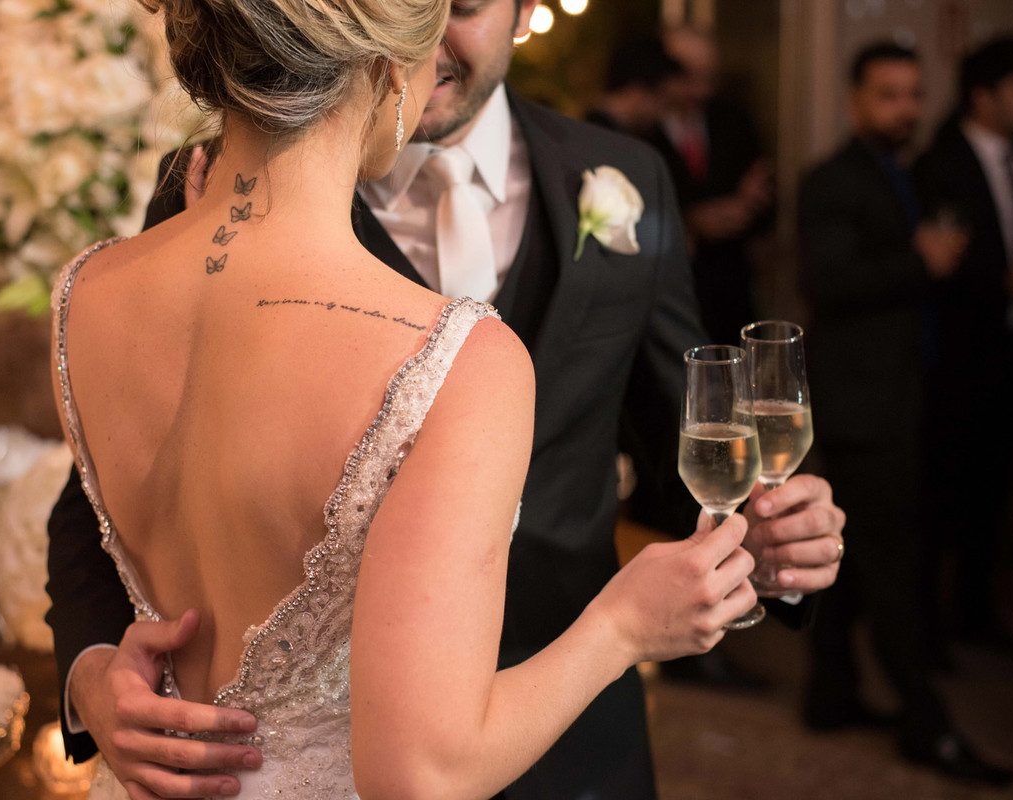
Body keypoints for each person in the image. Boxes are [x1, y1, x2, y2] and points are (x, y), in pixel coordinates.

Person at [48, 2, 846, 798]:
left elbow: (683, 439)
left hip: (573, 746)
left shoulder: (622, 174)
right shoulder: (206, 192)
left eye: (461, 6)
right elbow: (122, 477)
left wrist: (761, 540)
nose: (434, 40)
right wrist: (92, 676)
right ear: (384, 53)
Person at [799, 41, 1013, 786]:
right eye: (889, 95)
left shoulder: (909, 173)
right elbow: (829, 282)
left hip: (902, 391)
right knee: (892, 564)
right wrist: (920, 261)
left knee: (856, 559)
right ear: (855, 100)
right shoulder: (833, 179)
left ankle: (831, 694)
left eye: (915, 94)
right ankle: (928, 724)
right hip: (861, 400)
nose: (906, 109)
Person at [915, 36, 1013, 651]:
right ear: (984, 95)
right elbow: (937, 264)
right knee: (946, 492)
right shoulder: (943, 162)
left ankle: (978, 615)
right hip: (958, 358)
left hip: (1006, 352)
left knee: (993, 490)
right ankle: (930, 628)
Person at [651, 25, 773, 346]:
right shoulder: (642, 128)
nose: (699, 91)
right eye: (688, 77)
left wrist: (746, 208)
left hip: (730, 291)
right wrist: (691, 222)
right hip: (666, 294)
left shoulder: (732, 118)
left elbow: (767, 198)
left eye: (708, 78)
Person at [585, 37, 682, 140]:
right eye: (663, 102)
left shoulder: (591, 130)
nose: (661, 113)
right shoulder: (602, 139)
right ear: (637, 91)